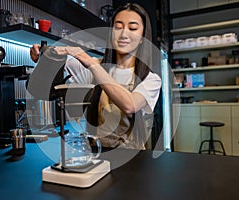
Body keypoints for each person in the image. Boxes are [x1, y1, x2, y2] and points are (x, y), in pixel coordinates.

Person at [30, 3, 161, 150]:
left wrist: (90, 63)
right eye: (118, 27)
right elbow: (55, 63)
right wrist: (42, 54)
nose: (124, 34)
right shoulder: (93, 66)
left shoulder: (150, 79)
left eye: (132, 28)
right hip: (97, 152)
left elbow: (130, 105)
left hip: (132, 156)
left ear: (143, 37)